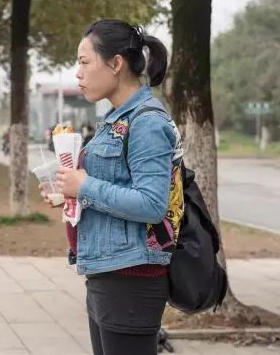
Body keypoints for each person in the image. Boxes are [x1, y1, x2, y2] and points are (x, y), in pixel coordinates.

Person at [41, 20, 182, 355]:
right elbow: (116, 186)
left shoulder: (146, 122)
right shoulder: (116, 119)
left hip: (131, 278)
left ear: (116, 63)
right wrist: (70, 193)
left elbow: (151, 204)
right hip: (108, 272)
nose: (78, 73)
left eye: (84, 62)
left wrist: (85, 186)